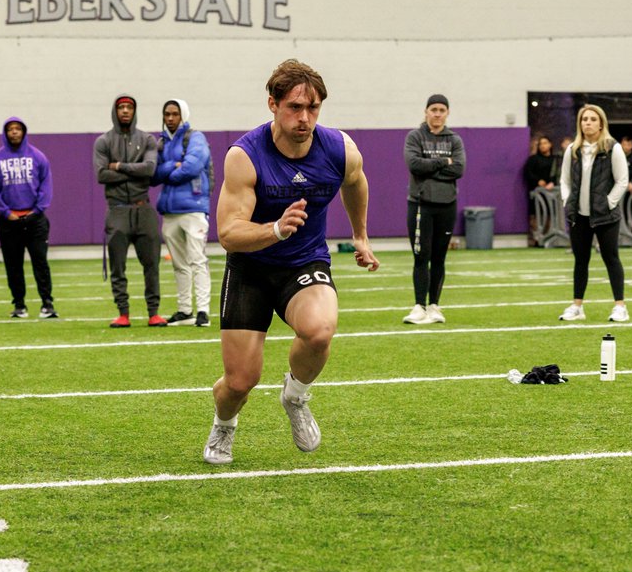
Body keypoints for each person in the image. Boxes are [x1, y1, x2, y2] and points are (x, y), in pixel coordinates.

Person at [204, 59, 379, 465]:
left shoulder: (339, 148)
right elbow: (229, 233)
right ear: (273, 105)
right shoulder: (245, 156)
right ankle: (223, 426)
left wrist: (360, 235)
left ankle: (295, 396)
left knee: (320, 331)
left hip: (304, 263)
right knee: (239, 382)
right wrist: (276, 230)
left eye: (313, 108)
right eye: (294, 108)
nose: (304, 118)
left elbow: (356, 182)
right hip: (250, 268)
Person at [94, 94, 166, 328]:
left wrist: (119, 167)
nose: (125, 111)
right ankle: (123, 313)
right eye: (121, 107)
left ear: (134, 112)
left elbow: (149, 169)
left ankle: (153, 312)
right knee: (118, 266)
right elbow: (101, 175)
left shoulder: (146, 139)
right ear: (115, 111)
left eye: (129, 107)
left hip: (143, 209)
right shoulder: (103, 141)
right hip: (117, 211)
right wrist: (133, 171)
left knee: (151, 264)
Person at [558, 104, 629, 323]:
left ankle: (620, 306)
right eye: (584, 119)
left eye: (592, 119)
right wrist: (567, 201)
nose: (587, 122)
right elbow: (565, 180)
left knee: (611, 258)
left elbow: (622, 180)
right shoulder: (573, 150)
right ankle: (577, 306)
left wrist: (609, 203)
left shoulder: (612, 148)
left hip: (605, 215)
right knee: (581, 260)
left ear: (601, 123)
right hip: (579, 215)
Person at [0, 117, 56, 320]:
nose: (14, 132)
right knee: (13, 264)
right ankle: (19, 304)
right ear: (5, 133)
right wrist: (6, 213)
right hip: (10, 222)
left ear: (24, 132)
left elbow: (45, 185)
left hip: (35, 220)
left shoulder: (38, 157)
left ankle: (47, 303)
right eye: (10, 129)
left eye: (18, 129)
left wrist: (38, 209)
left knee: (40, 262)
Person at [403, 94, 464, 324]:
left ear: (447, 113)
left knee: (439, 258)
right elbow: (414, 165)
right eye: (433, 109)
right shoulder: (415, 136)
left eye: (441, 110)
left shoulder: (455, 140)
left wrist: (431, 167)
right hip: (420, 204)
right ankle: (419, 305)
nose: (437, 114)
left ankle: (434, 306)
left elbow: (459, 169)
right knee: (421, 256)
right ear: (426, 112)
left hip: (447, 204)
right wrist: (443, 162)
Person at [151, 99, 212, 327]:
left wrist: (171, 170)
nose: (170, 118)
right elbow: (153, 174)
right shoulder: (161, 142)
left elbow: (191, 167)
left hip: (194, 208)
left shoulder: (195, 137)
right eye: (166, 113)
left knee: (197, 260)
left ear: (183, 115)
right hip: (170, 211)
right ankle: (185, 309)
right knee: (179, 263)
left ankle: (203, 311)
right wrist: (172, 167)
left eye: (174, 113)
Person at [523, 135, 559, 246]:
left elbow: (557, 175)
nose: (543, 146)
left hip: (551, 194)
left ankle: (548, 239)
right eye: (541, 144)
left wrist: (552, 183)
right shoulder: (533, 159)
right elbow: (528, 173)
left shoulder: (555, 160)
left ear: (550, 144)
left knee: (549, 214)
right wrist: (538, 181)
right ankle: (536, 239)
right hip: (537, 195)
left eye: (545, 143)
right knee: (535, 215)